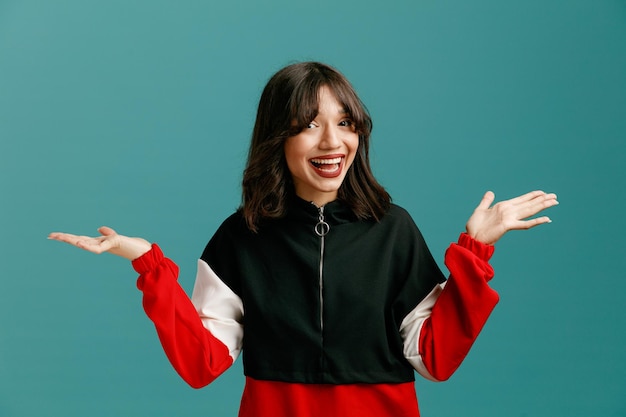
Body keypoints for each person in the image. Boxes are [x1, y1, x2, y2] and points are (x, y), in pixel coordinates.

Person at [49, 61, 558, 417]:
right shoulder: (241, 236)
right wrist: (149, 265)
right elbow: (204, 362)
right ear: (279, 139)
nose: (333, 142)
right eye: (309, 126)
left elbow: (434, 358)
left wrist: (475, 252)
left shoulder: (393, 229)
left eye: (345, 124)